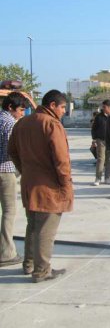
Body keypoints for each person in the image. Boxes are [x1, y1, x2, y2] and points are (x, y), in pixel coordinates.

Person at [8, 90, 73, 282]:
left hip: (30, 184)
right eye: (62, 107)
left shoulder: (22, 123)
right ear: (52, 105)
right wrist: (66, 184)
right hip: (49, 187)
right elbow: (62, 161)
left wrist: (25, 170)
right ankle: (42, 270)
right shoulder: (51, 124)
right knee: (46, 229)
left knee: (33, 227)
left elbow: (12, 151)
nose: (63, 111)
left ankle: (29, 264)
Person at [0, 93, 26, 268]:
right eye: (21, 110)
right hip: (5, 171)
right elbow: (14, 151)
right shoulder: (10, 124)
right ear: (10, 107)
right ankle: (6, 253)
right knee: (9, 212)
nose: (22, 114)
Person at [91, 99, 110, 186]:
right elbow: (94, 129)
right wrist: (94, 139)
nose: (102, 108)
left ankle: (107, 177)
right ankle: (98, 178)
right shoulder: (99, 117)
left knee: (109, 160)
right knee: (101, 160)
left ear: (109, 107)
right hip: (101, 141)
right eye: (102, 107)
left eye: (104, 107)